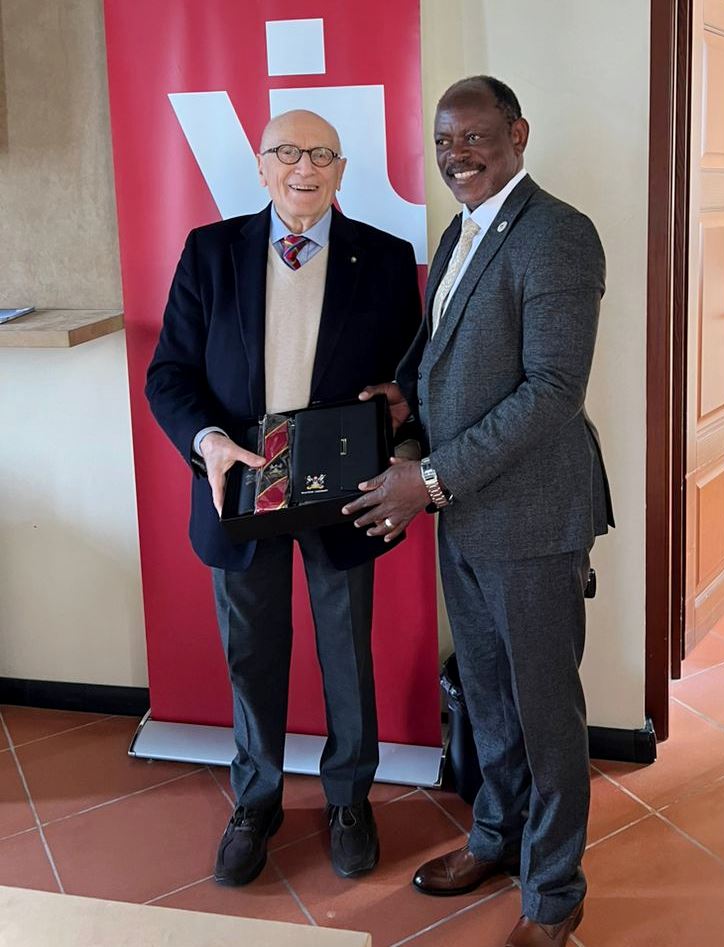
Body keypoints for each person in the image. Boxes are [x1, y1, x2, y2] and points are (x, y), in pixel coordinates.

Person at [344, 76, 613, 947]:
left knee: (545, 715)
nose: (456, 154)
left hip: (533, 522)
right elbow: (449, 365)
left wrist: (425, 481)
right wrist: (406, 402)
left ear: (517, 133)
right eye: (443, 141)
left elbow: (551, 394)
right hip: (464, 516)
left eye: (473, 136)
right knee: (491, 702)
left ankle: (554, 892)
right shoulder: (460, 231)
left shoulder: (561, 236)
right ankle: (496, 838)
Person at [146, 109, 421, 886]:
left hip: (344, 494)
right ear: (262, 168)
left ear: (340, 172)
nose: (305, 167)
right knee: (251, 653)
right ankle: (257, 797)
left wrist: (401, 409)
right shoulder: (209, 252)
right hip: (240, 487)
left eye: (322, 155)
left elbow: (415, 376)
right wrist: (205, 442)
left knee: (346, 654)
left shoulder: (389, 258)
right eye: (288, 153)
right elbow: (168, 374)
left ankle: (348, 797)